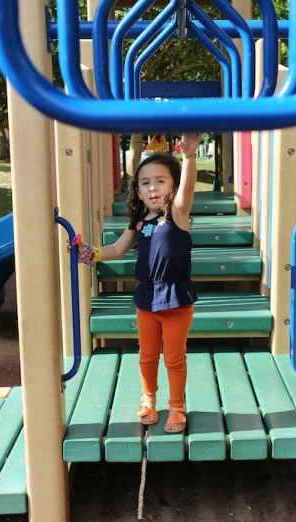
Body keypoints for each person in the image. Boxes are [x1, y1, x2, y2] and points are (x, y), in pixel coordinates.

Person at [72, 133, 201, 434]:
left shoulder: (177, 215)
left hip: (176, 298)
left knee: (173, 356)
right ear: (138, 191)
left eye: (161, 181)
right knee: (146, 354)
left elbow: (190, 187)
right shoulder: (139, 223)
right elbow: (116, 250)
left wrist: (191, 157)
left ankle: (178, 406)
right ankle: (148, 399)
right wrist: (87, 253)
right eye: (145, 182)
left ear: (173, 185)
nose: (153, 187)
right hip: (146, 298)